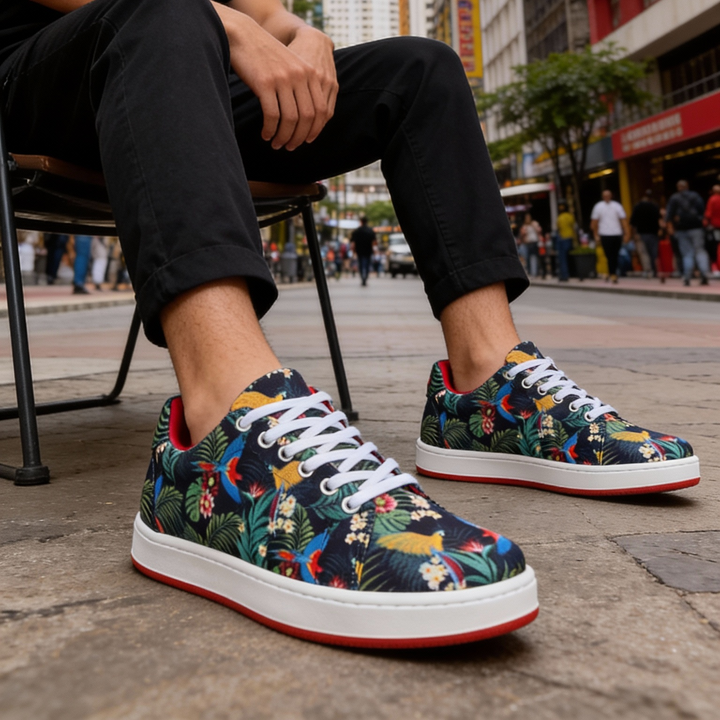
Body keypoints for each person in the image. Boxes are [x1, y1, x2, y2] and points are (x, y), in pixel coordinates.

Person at [1, 0, 699, 648]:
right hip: (51, 75)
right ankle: (216, 433)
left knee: (422, 68)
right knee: (165, 11)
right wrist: (220, 22)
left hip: (196, 71)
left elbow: (268, 14)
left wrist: (302, 35)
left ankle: (486, 385)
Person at [665, 180, 710, 287]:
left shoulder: (674, 198)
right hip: (696, 227)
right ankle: (704, 274)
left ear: (678, 187)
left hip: (682, 228)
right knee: (699, 250)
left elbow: (669, 214)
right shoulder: (695, 196)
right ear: (687, 186)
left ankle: (687, 277)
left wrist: (671, 227)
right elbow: (702, 210)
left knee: (686, 253)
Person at [590, 190, 629, 284]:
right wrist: (596, 235)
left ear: (611, 196)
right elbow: (594, 223)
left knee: (615, 254)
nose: (607, 197)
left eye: (608, 195)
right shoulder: (598, 206)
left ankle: (612, 272)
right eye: (605, 196)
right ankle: (612, 273)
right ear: (602, 197)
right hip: (605, 234)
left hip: (616, 233)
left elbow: (623, 220)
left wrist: (627, 233)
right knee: (608, 255)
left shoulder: (617, 206)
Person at [630, 190, 661, 279]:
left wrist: (634, 234)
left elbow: (633, 222)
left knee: (644, 253)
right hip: (653, 233)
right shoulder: (654, 206)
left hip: (641, 233)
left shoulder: (638, 206)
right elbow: (659, 219)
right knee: (653, 253)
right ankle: (655, 270)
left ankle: (648, 270)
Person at [350, 216, 375, 286]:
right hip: (368, 251)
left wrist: (353, 251)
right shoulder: (370, 231)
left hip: (359, 251)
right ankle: (365, 278)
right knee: (367, 265)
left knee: (361, 265)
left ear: (361, 222)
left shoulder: (357, 231)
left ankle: (362, 278)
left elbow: (352, 242)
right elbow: (374, 242)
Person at [555, 202, 576, 282]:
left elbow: (558, 228)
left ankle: (564, 275)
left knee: (562, 258)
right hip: (570, 238)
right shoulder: (570, 216)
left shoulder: (560, 217)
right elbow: (574, 227)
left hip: (562, 239)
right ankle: (572, 273)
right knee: (570, 257)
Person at [519, 213, 542, 277]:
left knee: (535, 257)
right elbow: (522, 235)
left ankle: (536, 272)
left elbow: (539, 231)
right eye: (527, 217)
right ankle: (530, 272)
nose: (528, 219)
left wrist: (534, 227)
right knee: (528, 258)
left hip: (535, 242)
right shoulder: (524, 226)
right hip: (528, 243)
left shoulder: (534, 223)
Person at [704, 184, 720, 271]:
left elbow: (708, 214)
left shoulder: (712, 199)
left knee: (715, 247)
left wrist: (705, 224)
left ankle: (715, 266)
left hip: (715, 227)